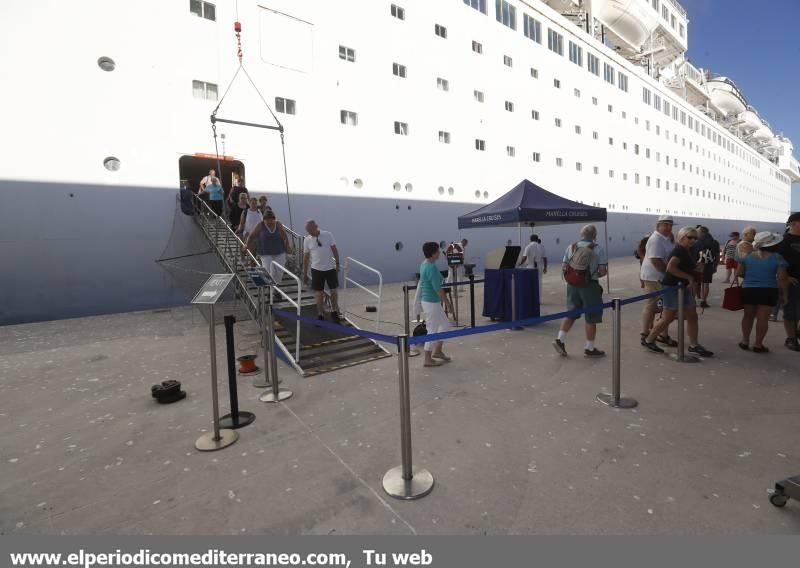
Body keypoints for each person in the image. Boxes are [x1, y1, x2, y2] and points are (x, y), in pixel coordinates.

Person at [642, 226, 714, 357]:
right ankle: (649, 339)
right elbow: (670, 268)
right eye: (690, 237)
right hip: (672, 287)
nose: (693, 240)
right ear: (682, 237)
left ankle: (694, 345)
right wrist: (689, 277)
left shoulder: (687, 250)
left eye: (695, 238)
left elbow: (685, 266)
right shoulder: (679, 250)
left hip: (683, 287)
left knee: (692, 316)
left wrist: (698, 267)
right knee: (667, 317)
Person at [552, 224, 608, 358]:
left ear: (581, 234)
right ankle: (589, 348)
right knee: (591, 317)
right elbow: (602, 271)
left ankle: (560, 340)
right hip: (590, 286)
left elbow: (564, 266)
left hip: (572, 285)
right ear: (594, 236)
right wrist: (594, 276)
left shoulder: (571, 247)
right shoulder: (598, 249)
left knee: (571, 312)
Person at [735, 232, 790, 353]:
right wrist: (785, 295)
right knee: (763, 318)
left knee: (748, 316)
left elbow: (738, 273)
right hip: (768, 290)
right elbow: (782, 278)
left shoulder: (747, 256)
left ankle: (745, 341)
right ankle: (758, 345)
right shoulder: (777, 257)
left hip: (749, 289)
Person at [639, 215, 677, 347]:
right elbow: (656, 261)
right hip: (655, 277)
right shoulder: (656, 239)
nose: (668, 227)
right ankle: (644, 334)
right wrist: (670, 274)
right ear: (658, 226)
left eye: (670, 225)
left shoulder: (665, 238)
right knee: (652, 305)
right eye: (665, 224)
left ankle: (662, 334)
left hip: (660, 277)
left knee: (664, 307)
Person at [419, 242, 455, 367]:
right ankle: (427, 359)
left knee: (445, 324)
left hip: (430, 302)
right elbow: (438, 289)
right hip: (431, 302)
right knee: (432, 329)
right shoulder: (431, 267)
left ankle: (438, 351)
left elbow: (438, 279)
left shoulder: (425, 264)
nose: (439, 253)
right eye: (438, 251)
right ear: (433, 253)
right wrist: (448, 304)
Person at [303, 219, 342, 321]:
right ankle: (320, 314)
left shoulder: (328, 235)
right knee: (319, 293)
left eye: (309, 230)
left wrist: (337, 264)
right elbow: (306, 257)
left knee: (334, 291)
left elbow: (334, 250)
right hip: (316, 269)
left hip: (330, 268)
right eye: (307, 230)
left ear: (315, 227)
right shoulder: (307, 240)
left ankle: (334, 311)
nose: (308, 232)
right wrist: (305, 273)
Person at [244, 210, 293, 284]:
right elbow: (251, 236)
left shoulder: (278, 224)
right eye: (267, 220)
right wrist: (246, 245)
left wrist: (288, 247)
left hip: (279, 251)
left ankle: (276, 288)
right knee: (268, 270)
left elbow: (285, 236)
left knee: (278, 271)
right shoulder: (260, 225)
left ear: (274, 219)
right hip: (265, 252)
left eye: (271, 220)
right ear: (264, 219)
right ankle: (271, 289)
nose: (270, 222)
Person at [774, 212, 800, 351]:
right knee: (790, 311)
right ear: (793, 224)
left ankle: (796, 333)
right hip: (790, 282)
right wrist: (786, 277)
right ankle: (791, 338)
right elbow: (777, 261)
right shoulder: (783, 241)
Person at [691, 226, 719, 308]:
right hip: (709, 264)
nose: (697, 233)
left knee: (695, 282)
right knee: (706, 283)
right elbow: (717, 256)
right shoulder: (714, 242)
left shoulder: (696, 242)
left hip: (697, 265)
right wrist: (715, 265)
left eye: (698, 232)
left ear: (702, 232)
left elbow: (692, 254)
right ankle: (704, 301)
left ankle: (695, 299)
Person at [519, 234, 547, 301]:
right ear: (537, 239)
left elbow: (524, 257)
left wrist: (520, 264)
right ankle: (538, 300)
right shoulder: (541, 247)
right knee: (539, 282)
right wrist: (545, 268)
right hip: (539, 266)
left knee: (530, 283)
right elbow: (545, 258)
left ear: (530, 239)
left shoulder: (528, 246)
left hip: (530, 266)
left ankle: (531, 299)